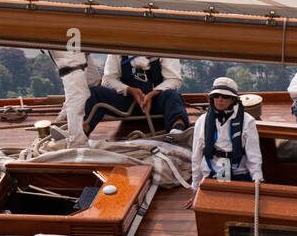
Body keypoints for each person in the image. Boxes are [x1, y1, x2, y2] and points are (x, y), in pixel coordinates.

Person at [186, 76, 263, 209]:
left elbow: (253, 153)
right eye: (216, 96)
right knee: (210, 209)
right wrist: (196, 188)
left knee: (243, 209)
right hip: (212, 171)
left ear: (233, 100)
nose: (220, 99)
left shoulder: (247, 121)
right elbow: (196, 156)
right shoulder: (202, 121)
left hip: (239, 171)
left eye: (225, 97)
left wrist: (257, 180)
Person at [85, 54, 190, 136]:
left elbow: (174, 79)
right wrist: (128, 90)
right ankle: (82, 132)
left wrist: (153, 93)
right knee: (95, 93)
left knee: (173, 95)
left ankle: (178, 132)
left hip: (155, 102)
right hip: (126, 102)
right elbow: (108, 79)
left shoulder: (163, 45)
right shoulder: (118, 46)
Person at [45, 49, 94, 145]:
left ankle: (63, 121)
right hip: (68, 40)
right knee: (78, 93)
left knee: (92, 81)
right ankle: (77, 141)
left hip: (79, 44)